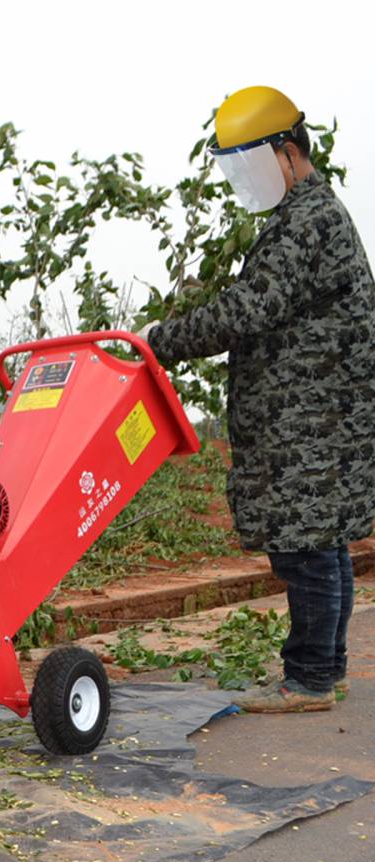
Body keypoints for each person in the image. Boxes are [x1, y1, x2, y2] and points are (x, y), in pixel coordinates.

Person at [138, 85, 375, 712]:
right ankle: (328, 671)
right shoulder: (308, 216)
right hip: (316, 418)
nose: (245, 180)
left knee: (307, 551)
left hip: (311, 423)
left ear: (289, 153)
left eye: (251, 165)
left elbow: (248, 309)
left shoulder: (310, 221)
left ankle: (309, 681)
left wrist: (158, 341)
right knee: (321, 544)